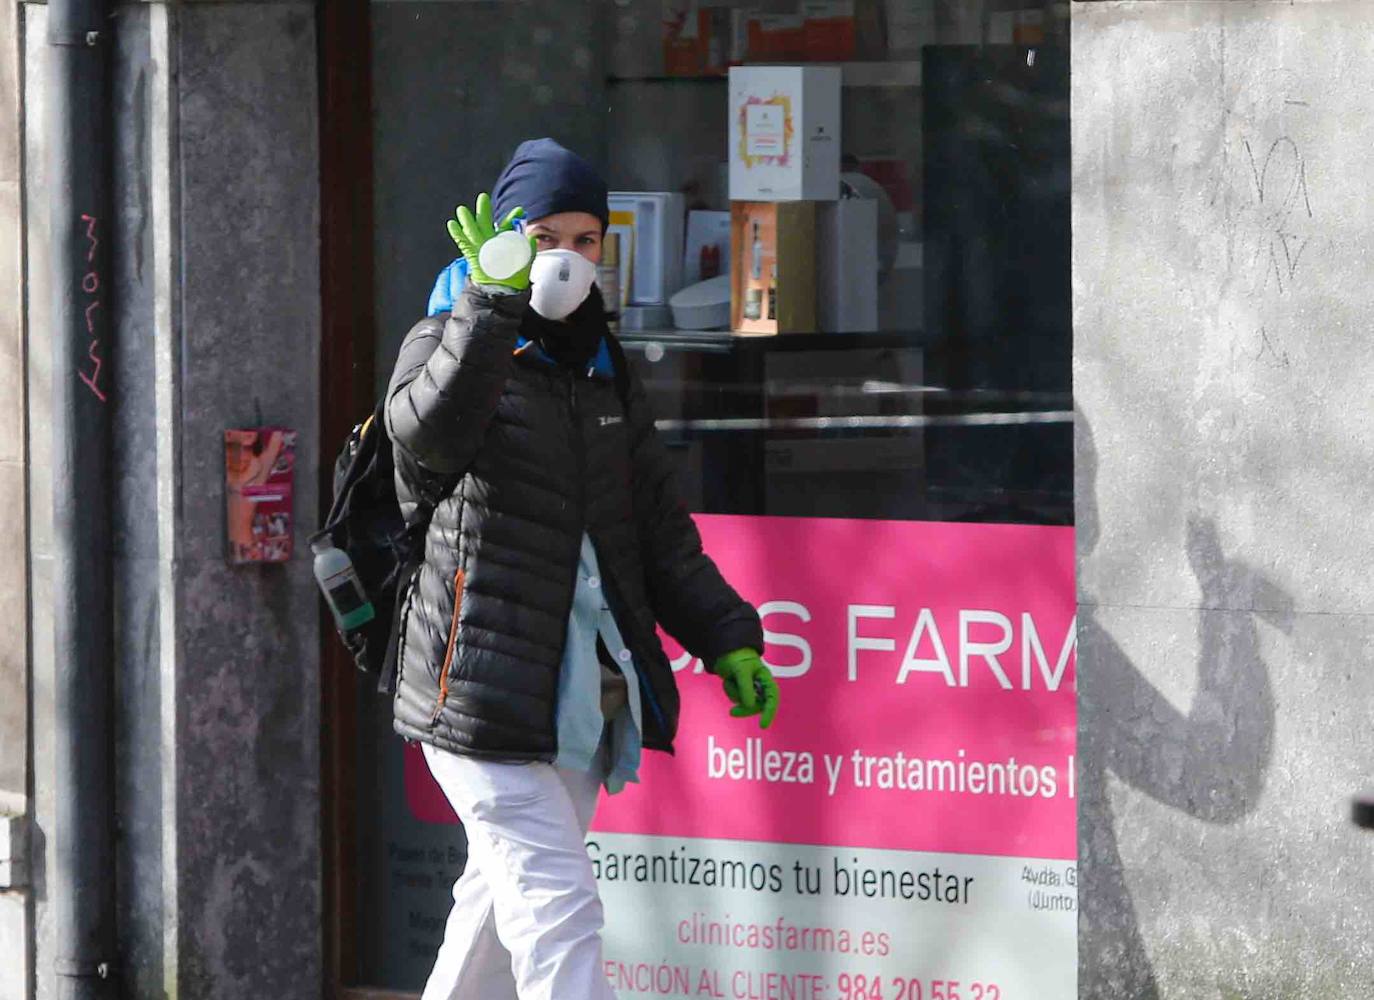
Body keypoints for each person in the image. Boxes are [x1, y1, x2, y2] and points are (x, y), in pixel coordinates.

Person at [385, 138, 781, 1000]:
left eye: (587, 239)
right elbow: (425, 443)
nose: (566, 256)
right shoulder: (444, 339)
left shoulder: (603, 368)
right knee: (559, 911)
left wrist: (727, 637)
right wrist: (489, 303)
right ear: (499, 241)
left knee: (496, 908)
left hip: (572, 698)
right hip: (475, 698)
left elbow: (654, 528)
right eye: (543, 234)